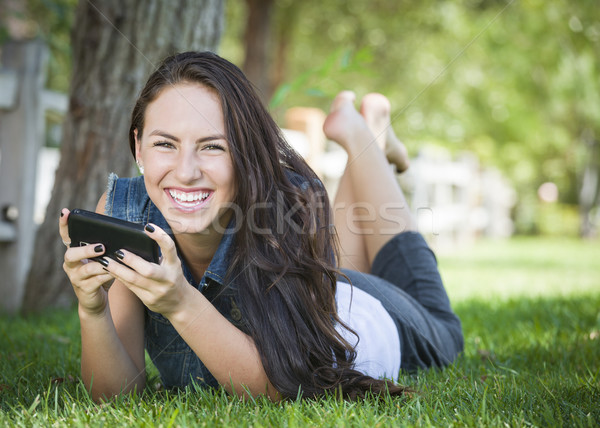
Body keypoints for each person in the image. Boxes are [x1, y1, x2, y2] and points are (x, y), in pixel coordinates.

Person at [59, 51, 463, 402]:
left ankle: (363, 133)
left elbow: (280, 387)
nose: (185, 172)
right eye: (165, 143)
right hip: (323, 291)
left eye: (212, 146)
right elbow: (116, 395)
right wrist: (92, 310)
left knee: (445, 330)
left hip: (365, 318)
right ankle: (368, 130)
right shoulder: (126, 212)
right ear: (138, 147)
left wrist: (179, 301)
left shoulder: (289, 205)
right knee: (338, 271)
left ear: (245, 152)